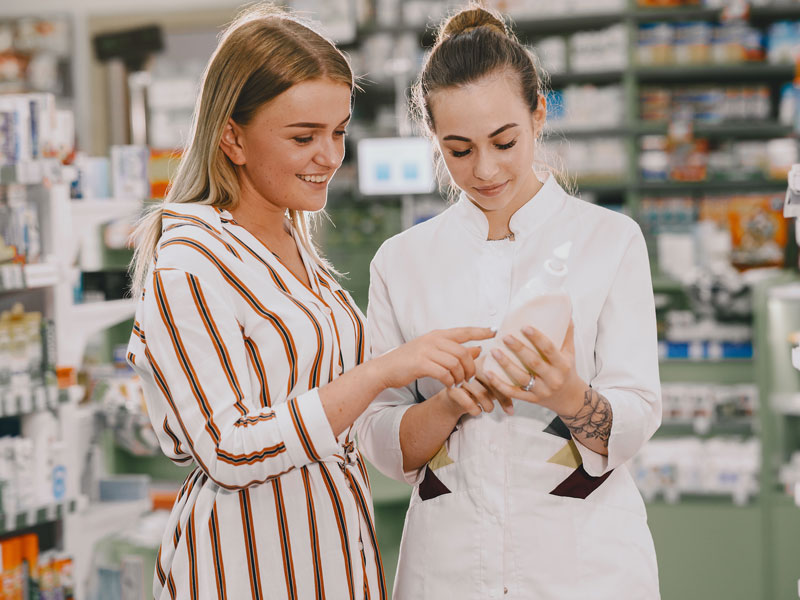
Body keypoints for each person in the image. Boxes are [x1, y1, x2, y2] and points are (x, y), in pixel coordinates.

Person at [126, 5, 493, 598]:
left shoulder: (293, 243)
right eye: (304, 137)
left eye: (339, 131)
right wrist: (383, 371)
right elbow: (228, 448)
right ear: (232, 137)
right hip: (246, 572)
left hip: (332, 562)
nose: (330, 156)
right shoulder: (191, 262)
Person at [356, 5, 662, 599]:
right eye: (459, 150)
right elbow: (381, 440)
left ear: (538, 114)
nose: (486, 169)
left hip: (584, 566)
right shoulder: (401, 260)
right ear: (433, 139)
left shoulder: (610, 241)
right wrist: (447, 405)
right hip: (448, 569)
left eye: (503, 141)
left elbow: (637, 414)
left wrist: (566, 394)